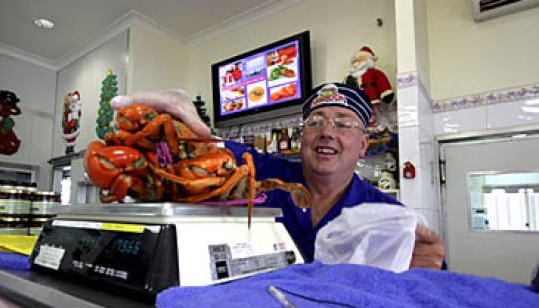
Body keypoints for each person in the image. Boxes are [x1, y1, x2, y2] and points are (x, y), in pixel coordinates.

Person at [111, 84, 446, 270]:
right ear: (301, 139)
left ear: (363, 145)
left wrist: (423, 272)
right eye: (315, 122)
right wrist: (182, 117)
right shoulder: (261, 174)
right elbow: (211, 149)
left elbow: (427, 281)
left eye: (343, 123)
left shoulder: (388, 215)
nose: (327, 132)